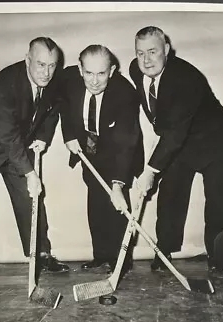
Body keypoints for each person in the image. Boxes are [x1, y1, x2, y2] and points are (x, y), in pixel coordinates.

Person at [129, 26, 223, 273]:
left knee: (217, 197)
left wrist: (150, 170)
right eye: (140, 52)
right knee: (171, 192)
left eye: (153, 51)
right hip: (180, 139)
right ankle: (164, 254)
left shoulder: (186, 78)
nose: (146, 60)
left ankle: (218, 259)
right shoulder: (137, 70)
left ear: (167, 49)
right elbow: (162, 121)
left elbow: (175, 133)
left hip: (214, 139)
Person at [0, 36, 69, 284]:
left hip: (17, 143)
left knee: (31, 199)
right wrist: (30, 173)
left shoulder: (54, 79)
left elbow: (54, 108)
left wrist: (44, 137)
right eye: (40, 65)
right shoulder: (5, 83)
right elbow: (7, 135)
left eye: (52, 65)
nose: (46, 72)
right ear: (27, 60)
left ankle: (41, 254)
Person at [60, 45, 143, 277]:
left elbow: (126, 141)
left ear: (112, 70)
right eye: (88, 73)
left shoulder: (125, 94)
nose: (94, 81)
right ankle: (101, 255)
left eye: (101, 74)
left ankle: (121, 260)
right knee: (95, 199)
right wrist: (69, 136)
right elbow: (63, 106)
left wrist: (118, 184)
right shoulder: (69, 79)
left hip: (118, 148)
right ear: (80, 69)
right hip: (89, 146)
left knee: (116, 201)